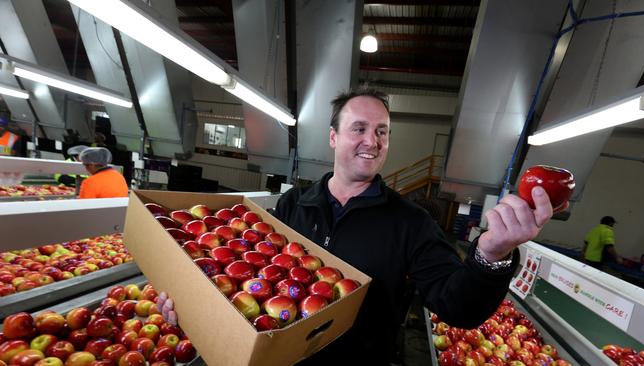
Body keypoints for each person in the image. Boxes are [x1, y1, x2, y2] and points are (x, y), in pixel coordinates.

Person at [158, 87, 555, 365]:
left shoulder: (411, 223)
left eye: (382, 131)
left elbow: (458, 306)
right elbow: (248, 277)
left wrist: (492, 256)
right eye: (359, 128)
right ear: (333, 137)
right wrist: (196, 307)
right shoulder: (293, 204)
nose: (373, 140)